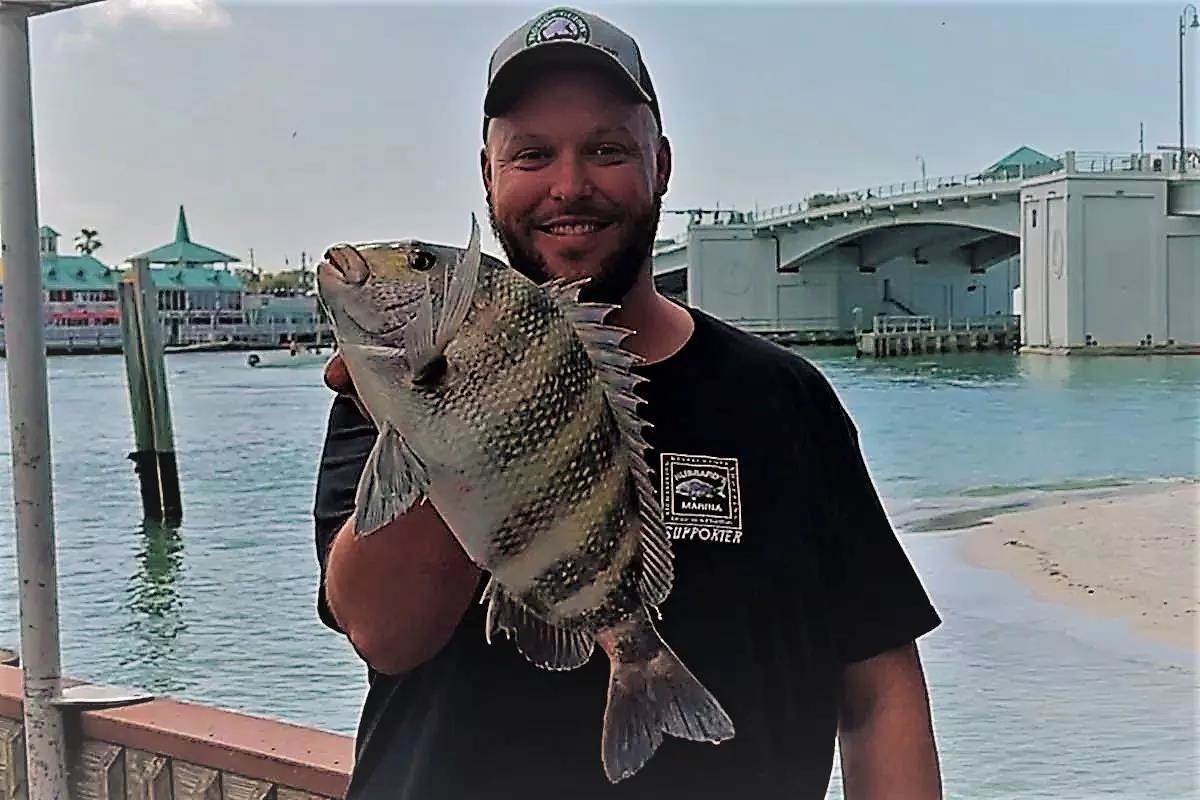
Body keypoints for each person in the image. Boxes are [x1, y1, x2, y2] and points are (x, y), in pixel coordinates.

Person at [313, 7, 943, 799]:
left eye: (607, 150)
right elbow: (385, 634)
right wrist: (451, 407)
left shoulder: (786, 399)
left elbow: (878, 685)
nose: (569, 186)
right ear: (488, 175)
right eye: (533, 155)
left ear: (663, 164)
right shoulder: (380, 402)